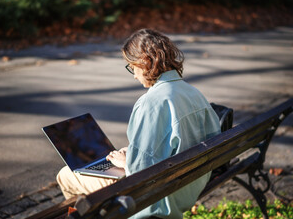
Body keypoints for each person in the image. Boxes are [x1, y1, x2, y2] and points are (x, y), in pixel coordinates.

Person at [56, 28, 221, 218]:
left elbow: (141, 173)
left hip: (155, 197)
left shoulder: (151, 103)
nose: (134, 75)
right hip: (187, 187)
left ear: (144, 62)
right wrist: (133, 153)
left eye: (132, 67)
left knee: (66, 175)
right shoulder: (194, 93)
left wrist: (127, 162)